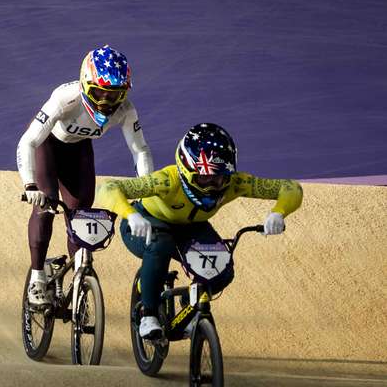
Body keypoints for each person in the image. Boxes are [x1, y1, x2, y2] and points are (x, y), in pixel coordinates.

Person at [97, 122, 302, 339]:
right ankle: (148, 311)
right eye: (204, 178)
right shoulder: (167, 179)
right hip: (147, 222)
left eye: (219, 178)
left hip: (192, 228)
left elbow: (291, 188)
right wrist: (130, 214)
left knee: (222, 270)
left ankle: (189, 303)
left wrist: (279, 211)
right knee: (161, 245)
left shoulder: (235, 183)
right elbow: (108, 188)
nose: (212, 186)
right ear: (185, 169)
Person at [17, 45, 153, 306]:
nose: (106, 102)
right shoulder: (65, 98)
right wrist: (30, 184)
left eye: (115, 95)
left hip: (78, 148)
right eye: (100, 93)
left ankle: (79, 277)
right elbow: (29, 142)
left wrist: (145, 191)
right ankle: (37, 277)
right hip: (47, 145)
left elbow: (140, 150)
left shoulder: (126, 110)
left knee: (81, 213)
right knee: (45, 204)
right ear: (86, 84)